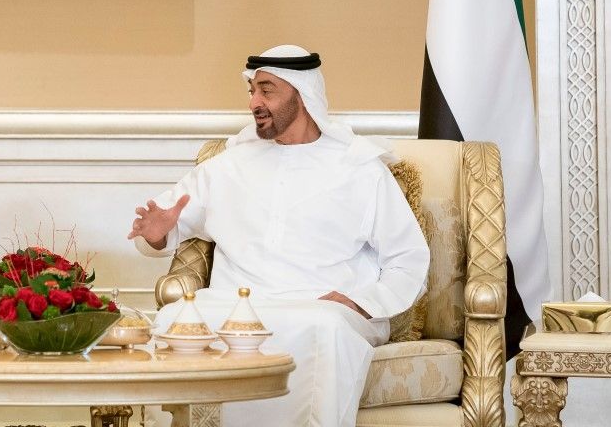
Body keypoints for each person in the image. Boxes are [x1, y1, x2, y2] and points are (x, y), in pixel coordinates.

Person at [129, 45, 430, 427]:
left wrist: (361, 301)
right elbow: (163, 226)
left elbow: (409, 258)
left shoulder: (359, 169)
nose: (254, 102)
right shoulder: (228, 166)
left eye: (266, 90)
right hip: (235, 306)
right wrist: (157, 233)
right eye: (252, 90)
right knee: (173, 319)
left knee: (325, 328)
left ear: (302, 94)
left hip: (323, 309)